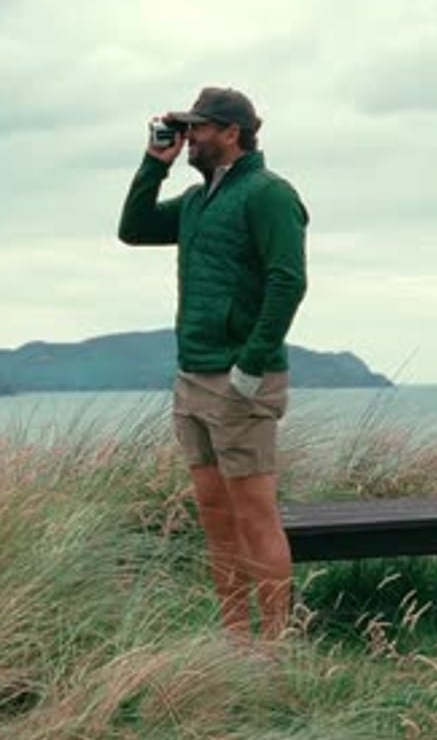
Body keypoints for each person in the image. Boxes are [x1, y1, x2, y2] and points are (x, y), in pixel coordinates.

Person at [118, 87, 309, 643]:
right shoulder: (198, 202)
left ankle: (273, 649)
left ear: (232, 133)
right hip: (193, 376)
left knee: (254, 516)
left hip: (240, 381)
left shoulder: (268, 194)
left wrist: (249, 367)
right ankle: (235, 641)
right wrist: (155, 164)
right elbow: (133, 228)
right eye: (186, 127)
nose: (190, 137)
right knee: (216, 518)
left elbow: (288, 281)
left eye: (198, 128)